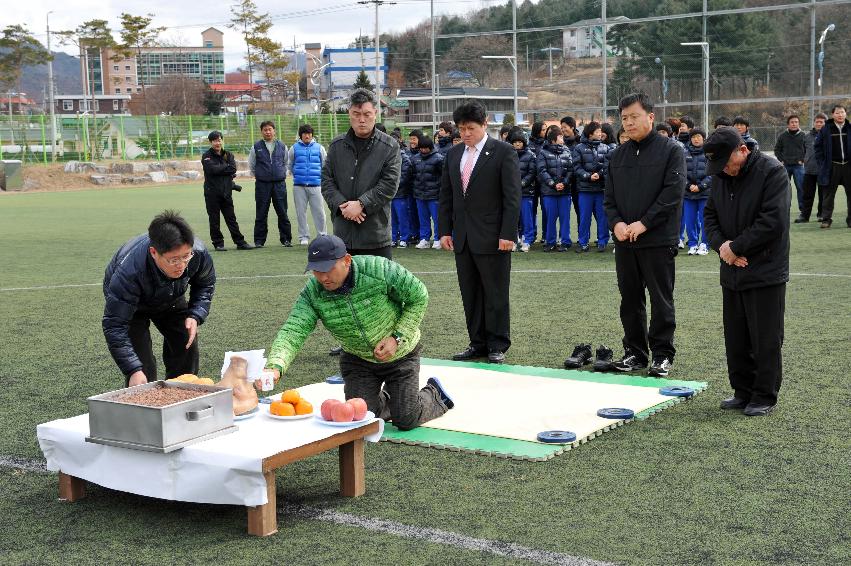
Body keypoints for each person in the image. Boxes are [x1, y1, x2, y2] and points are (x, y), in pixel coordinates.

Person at [263, 235, 453, 430]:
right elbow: (294, 329)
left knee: (406, 419)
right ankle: (393, 398)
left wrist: (397, 337)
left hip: (401, 355)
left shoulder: (379, 269)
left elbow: (419, 295)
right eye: (316, 271)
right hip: (358, 360)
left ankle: (434, 393)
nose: (323, 277)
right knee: (362, 417)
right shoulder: (313, 292)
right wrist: (276, 365)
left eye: (328, 269)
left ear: (347, 260)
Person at [703, 127, 790, 417]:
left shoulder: (772, 171)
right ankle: (742, 391)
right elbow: (710, 216)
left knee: (765, 337)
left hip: (765, 268)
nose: (724, 171)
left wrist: (738, 247)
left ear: (742, 150)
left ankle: (764, 394)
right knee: (736, 336)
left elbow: (773, 221)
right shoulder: (720, 175)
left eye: (727, 163)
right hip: (731, 268)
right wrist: (723, 248)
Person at [604, 93, 685, 378]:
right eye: (624, 118)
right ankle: (635, 353)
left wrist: (644, 223)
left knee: (661, 299)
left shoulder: (671, 150)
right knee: (630, 298)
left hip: (658, 240)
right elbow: (609, 198)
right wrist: (616, 224)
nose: (628, 122)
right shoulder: (617, 155)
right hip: (625, 241)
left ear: (650, 116)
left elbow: (672, 194)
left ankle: (662, 355)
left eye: (634, 116)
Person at [438, 99, 521, 364]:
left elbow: (512, 197)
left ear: (485, 124)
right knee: (470, 293)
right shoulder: (452, 155)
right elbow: (446, 196)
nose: (465, 134)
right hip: (462, 236)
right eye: (461, 129)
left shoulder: (503, 152)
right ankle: (477, 342)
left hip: (494, 236)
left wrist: (508, 233)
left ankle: (497, 343)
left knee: (495, 292)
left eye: (470, 128)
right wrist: (444, 230)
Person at [103, 211, 216, 387]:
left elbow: (205, 284)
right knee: (142, 369)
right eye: (173, 260)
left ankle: (180, 395)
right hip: (134, 305)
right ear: (154, 252)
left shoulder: (198, 254)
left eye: (186, 256)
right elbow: (115, 326)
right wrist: (133, 369)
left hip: (170, 297)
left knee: (185, 340)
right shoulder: (128, 273)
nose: (181, 265)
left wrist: (195, 314)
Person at [321, 88, 401, 259]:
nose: (361, 120)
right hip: (342, 235)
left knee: (379, 284)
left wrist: (362, 204)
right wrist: (343, 205)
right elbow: (327, 181)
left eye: (367, 114)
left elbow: (389, 184)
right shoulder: (336, 146)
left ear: (375, 113)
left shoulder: (389, 146)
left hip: (375, 235)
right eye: (356, 114)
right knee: (343, 285)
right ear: (349, 113)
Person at [200, 131, 253, 252]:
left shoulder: (228, 154)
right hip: (211, 193)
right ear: (211, 142)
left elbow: (233, 168)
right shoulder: (206, 156)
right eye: (215, 140)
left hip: (226, 192)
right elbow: (211, 170)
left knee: (231, 219)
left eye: (219, 140)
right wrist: (226, 167)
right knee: (214, 219)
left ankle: (240, 242)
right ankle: (218, 243)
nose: (217, 143)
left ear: (222, 141)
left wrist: (223, 169)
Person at [249, 121, 292, 248]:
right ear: (261, 132)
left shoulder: (282, 146)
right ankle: (259, 241)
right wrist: (261, 175)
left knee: (282, 212)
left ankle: (286, 239)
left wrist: (279, 173)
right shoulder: (256, 147)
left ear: (274, 131)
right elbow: (252, 165)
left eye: (270, 129)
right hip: (262, 185)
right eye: (265, 130)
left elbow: (286, 162)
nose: (268, 132)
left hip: (279, 184)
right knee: (261, 213)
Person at [572, 121, 612, 253]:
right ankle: (583, 242)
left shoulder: (605, 148)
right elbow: (576, 167)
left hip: (600, 190)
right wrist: (588, 176)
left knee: (602, 217)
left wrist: (599, 174)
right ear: (590, 134)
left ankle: (603, 241)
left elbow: (607, 167)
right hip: (585, 190)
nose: (601, 134)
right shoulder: (579, 148)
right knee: (584, 218)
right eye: (598, 132)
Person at [287, 124, 328, 245]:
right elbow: (290, 164)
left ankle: (322, 235)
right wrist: (298, 176)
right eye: (305, 133)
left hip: (316, 185)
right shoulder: (294, 148)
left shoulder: (319, 148)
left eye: (309, 133)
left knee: (319, 212)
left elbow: (325, 164)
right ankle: (303, 236)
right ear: (301, 135)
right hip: (299, 186)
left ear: (312, 135)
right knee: (301, 212)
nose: (307, 135)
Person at [537, 125, 575, 252]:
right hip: (549, 192)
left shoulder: (567, 151)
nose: (562, 138)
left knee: (565, 218)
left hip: (564, 192)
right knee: (550, 219)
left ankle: (565, 242)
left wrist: (564, 183)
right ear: (553, 139)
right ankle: (551, 242)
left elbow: (570, 170)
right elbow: (542, 171)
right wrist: (553, 184)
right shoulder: (543, 152)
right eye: (560, 136)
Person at [814, 104, 850, 229]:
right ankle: (826, 219)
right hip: (831, 166)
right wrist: (822, 163)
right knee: (828, 195)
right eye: (837, 113)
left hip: (848, 166)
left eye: (842, 112)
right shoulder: (826, 129)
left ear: (846, 114)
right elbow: (817, 147)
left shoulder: (849, 128)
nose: (840, 115)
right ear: (832, 115)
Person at [411, 136, 445, 249]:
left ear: (430, 147)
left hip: (434, 195)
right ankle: (424, 239)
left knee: (437, 219)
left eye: (426, 148)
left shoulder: (439, 159)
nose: (423, 150)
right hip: (419, 194)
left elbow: (443, 177)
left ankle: (437, 239)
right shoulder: (415, 159)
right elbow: (413, 176)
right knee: (423, 219)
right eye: (421, 148)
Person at [508, 128, 538, 252]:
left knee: (527, 218)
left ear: (524, 142)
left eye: (520, 142)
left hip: (526, 193)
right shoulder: (508, 155)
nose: (517, 144)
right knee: (513, 218)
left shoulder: (530, 155)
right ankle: (514, 240)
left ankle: (527, 240)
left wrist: (523, 183)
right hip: (511, 193)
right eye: (515, 142)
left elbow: (532, 172)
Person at [683, 128, 711, 256]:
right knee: (689, 220)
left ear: (703, 138)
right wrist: (688, 186)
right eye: (693, 137)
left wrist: (701, 186)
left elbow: (713, 173)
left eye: (698, 136)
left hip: (705, 193)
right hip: (688, 194)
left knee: (705, 219)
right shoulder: (684, 153)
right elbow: (680, 172)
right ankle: (693, 244)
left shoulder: (709, 153)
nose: (696, 139)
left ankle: (705, 244)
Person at [796, 113, 828, 223]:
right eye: (817, 122)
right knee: (807, 195)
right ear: (814, 123)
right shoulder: (806, 136)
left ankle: (822, 214)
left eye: (821, 122)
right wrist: (803, 159)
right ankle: (805, 216)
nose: (819, 124)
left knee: (823, 195)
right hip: (809, 170)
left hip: (824, 170)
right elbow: (802, 150)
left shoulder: (829, 136)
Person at [774, 115, 807, 217]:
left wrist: (802, 160)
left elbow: (808, 149)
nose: (794, 124)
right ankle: (784, 210)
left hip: (799, 166)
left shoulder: (804, 135)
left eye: (796, 122)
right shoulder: (782, 136)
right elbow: (777, 150)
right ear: (788, 124)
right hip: (785, 167)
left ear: (798, 124)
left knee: (801, 188)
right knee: (784, 189)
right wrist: (781, 160)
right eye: (792, 122)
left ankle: (803, 211)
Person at [390, 131, 413, 248]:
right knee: (392, 218)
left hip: (400, 193)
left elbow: (405, 175)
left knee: (402, 217)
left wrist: (392, 185)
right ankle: (393, 238)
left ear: (399, 141)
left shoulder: (404, 157)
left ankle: (405, 238)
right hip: (390, 194)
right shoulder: (387, 156)